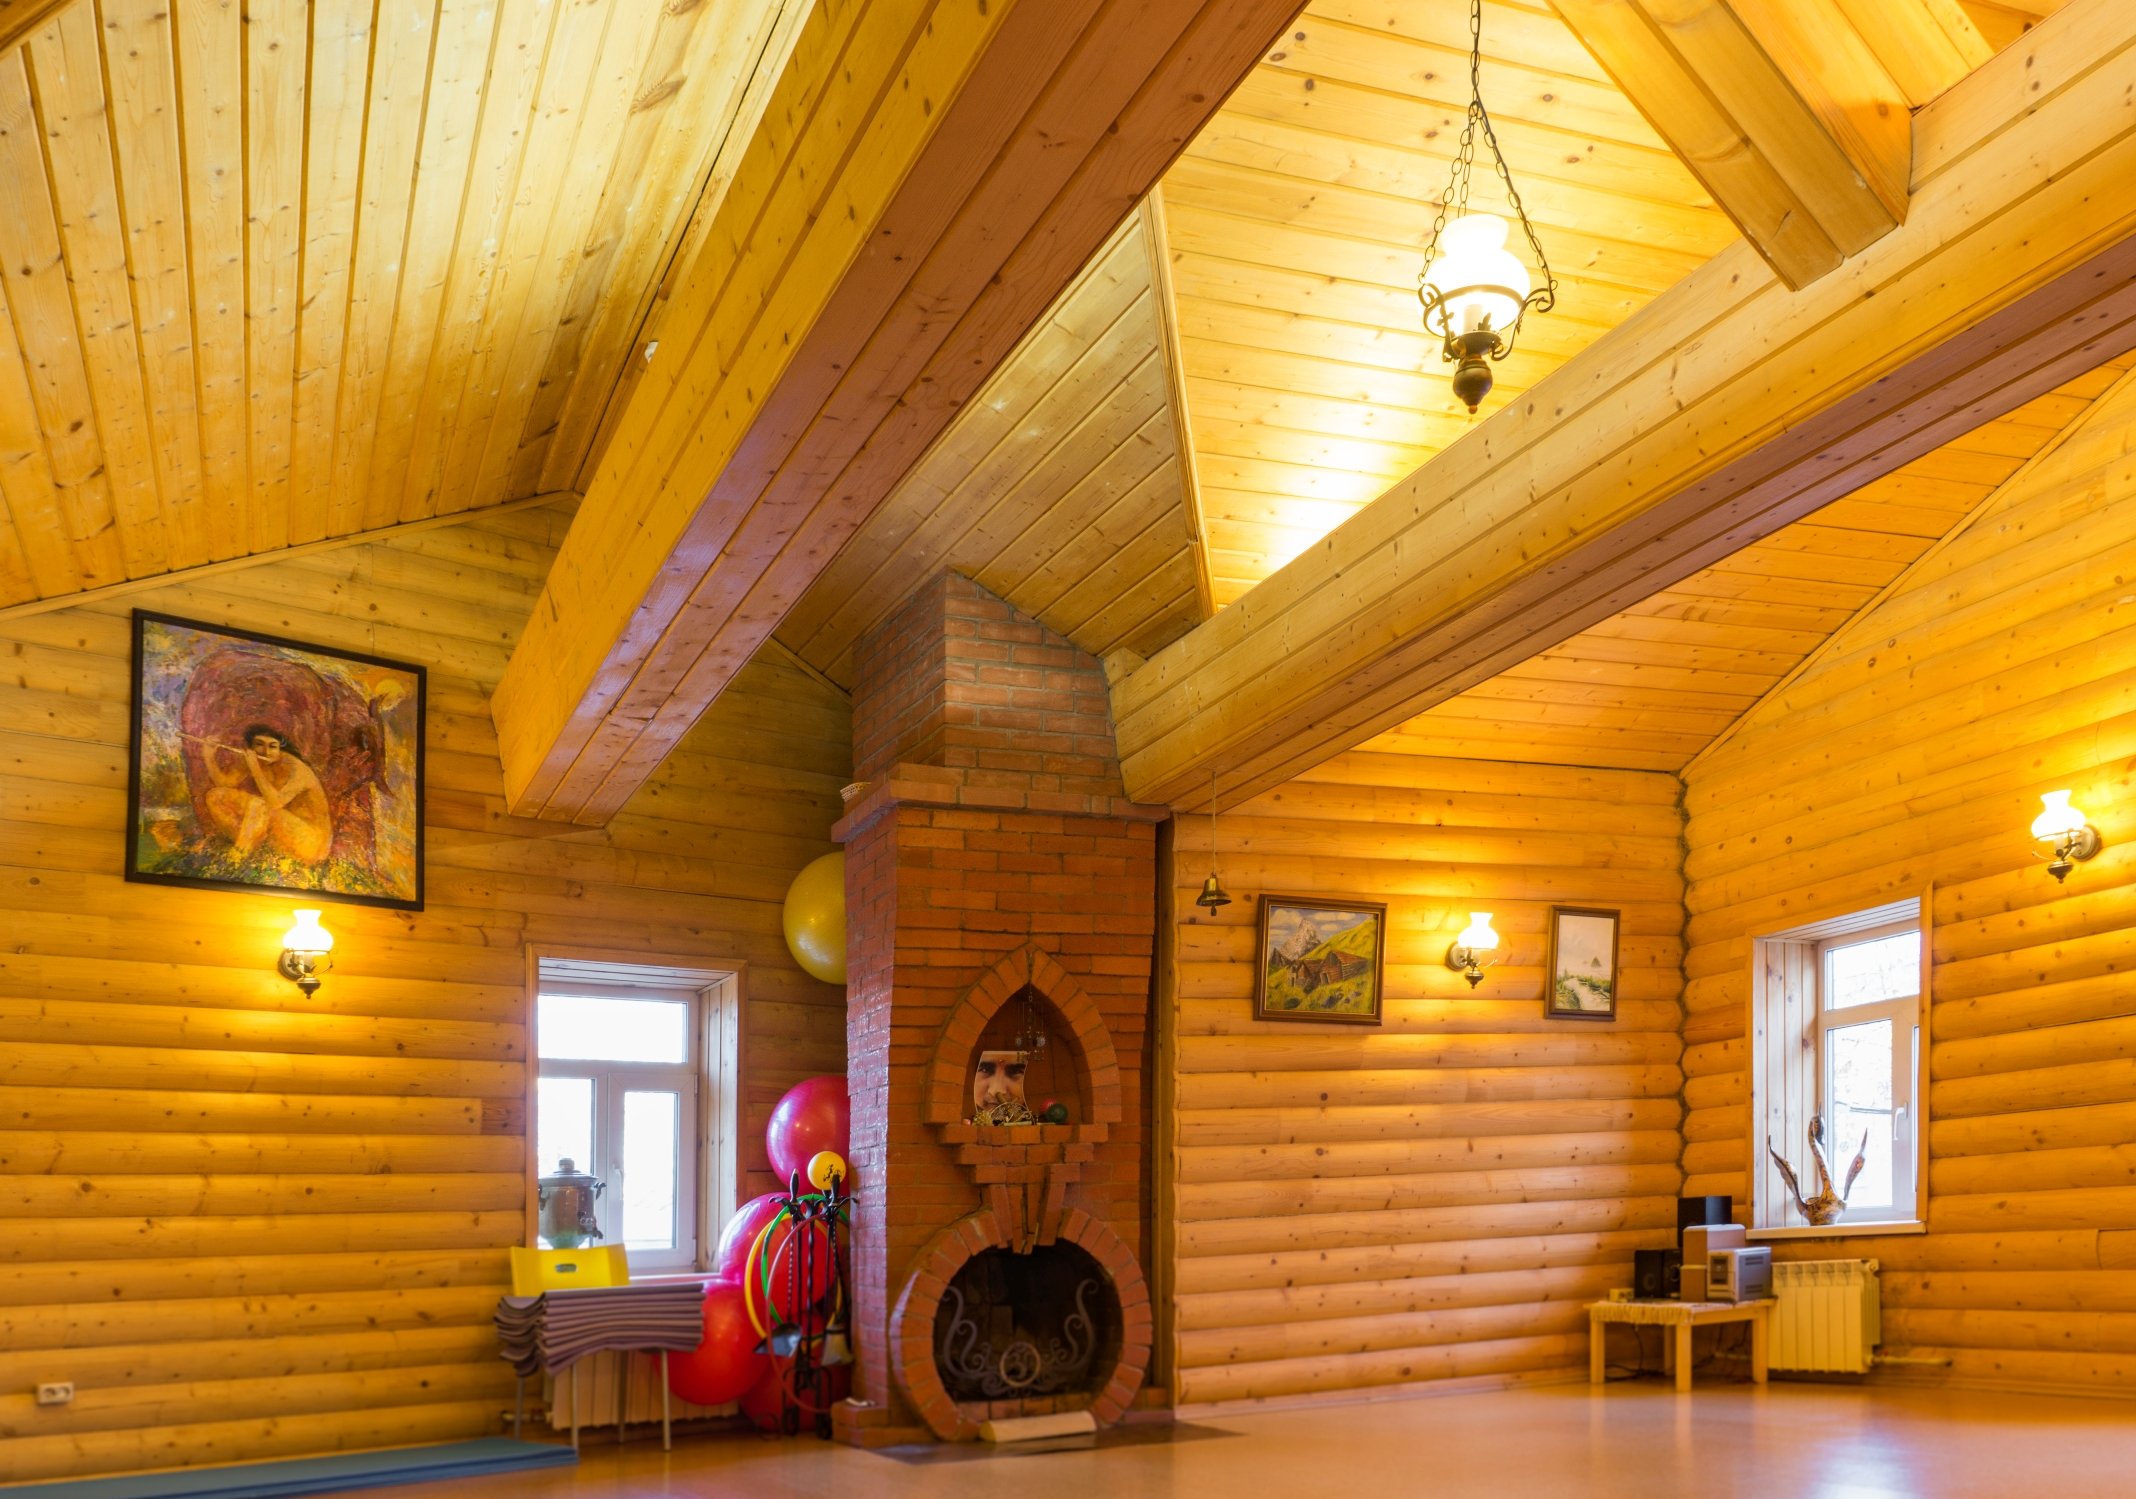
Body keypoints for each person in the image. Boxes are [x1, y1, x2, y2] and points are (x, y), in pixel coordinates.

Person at [199, 725, 333, 863]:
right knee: (215, 796)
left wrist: (255, 768)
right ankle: (251, 851)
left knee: (260, 805)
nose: (266, 752)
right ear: (251, 747)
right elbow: (225, 783)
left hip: (311, 843)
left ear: (280, 748)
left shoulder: (297, 770)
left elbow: (275, 803)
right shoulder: (255, 760)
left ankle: (237, 857)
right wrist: (209, 756)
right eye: (260, 745)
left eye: (272, 746)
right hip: (281, 831)